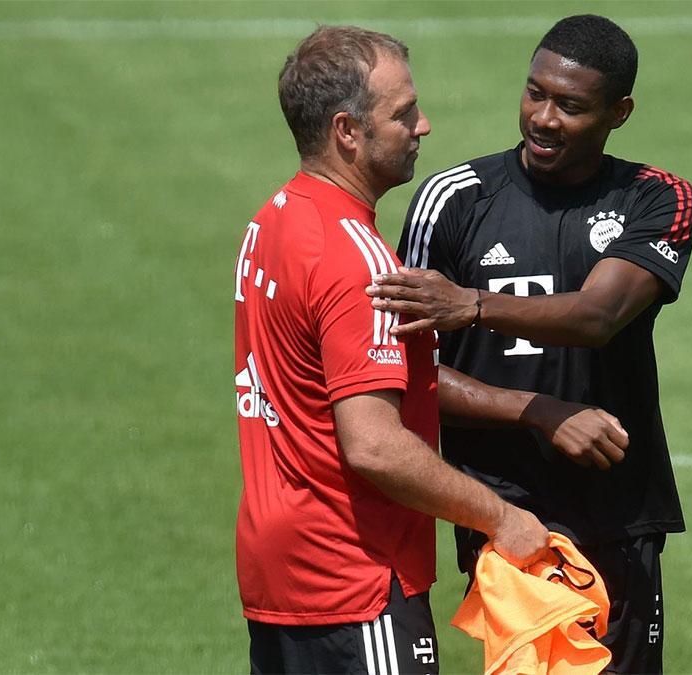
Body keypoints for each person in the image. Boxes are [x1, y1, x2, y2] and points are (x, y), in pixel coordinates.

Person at [233, 25, 625, 674]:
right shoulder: (356, 260)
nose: (424, 126)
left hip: (279, 575)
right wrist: (502, 516)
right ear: (347, 131)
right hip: (355, 582)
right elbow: (374, 443)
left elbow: (354, 380)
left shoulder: (271, 222)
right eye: (403, 112)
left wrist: (529, 406)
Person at [368, 15, 692, 673]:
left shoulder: (657, 200)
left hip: (622, 510)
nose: (543, 117)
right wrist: (537, 410)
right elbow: (411, 374)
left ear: (619, 112)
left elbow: (598, 315)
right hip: (510, 518)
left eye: (571, 106)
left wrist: (475, 306)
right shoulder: (454, 201)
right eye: (535, 93)